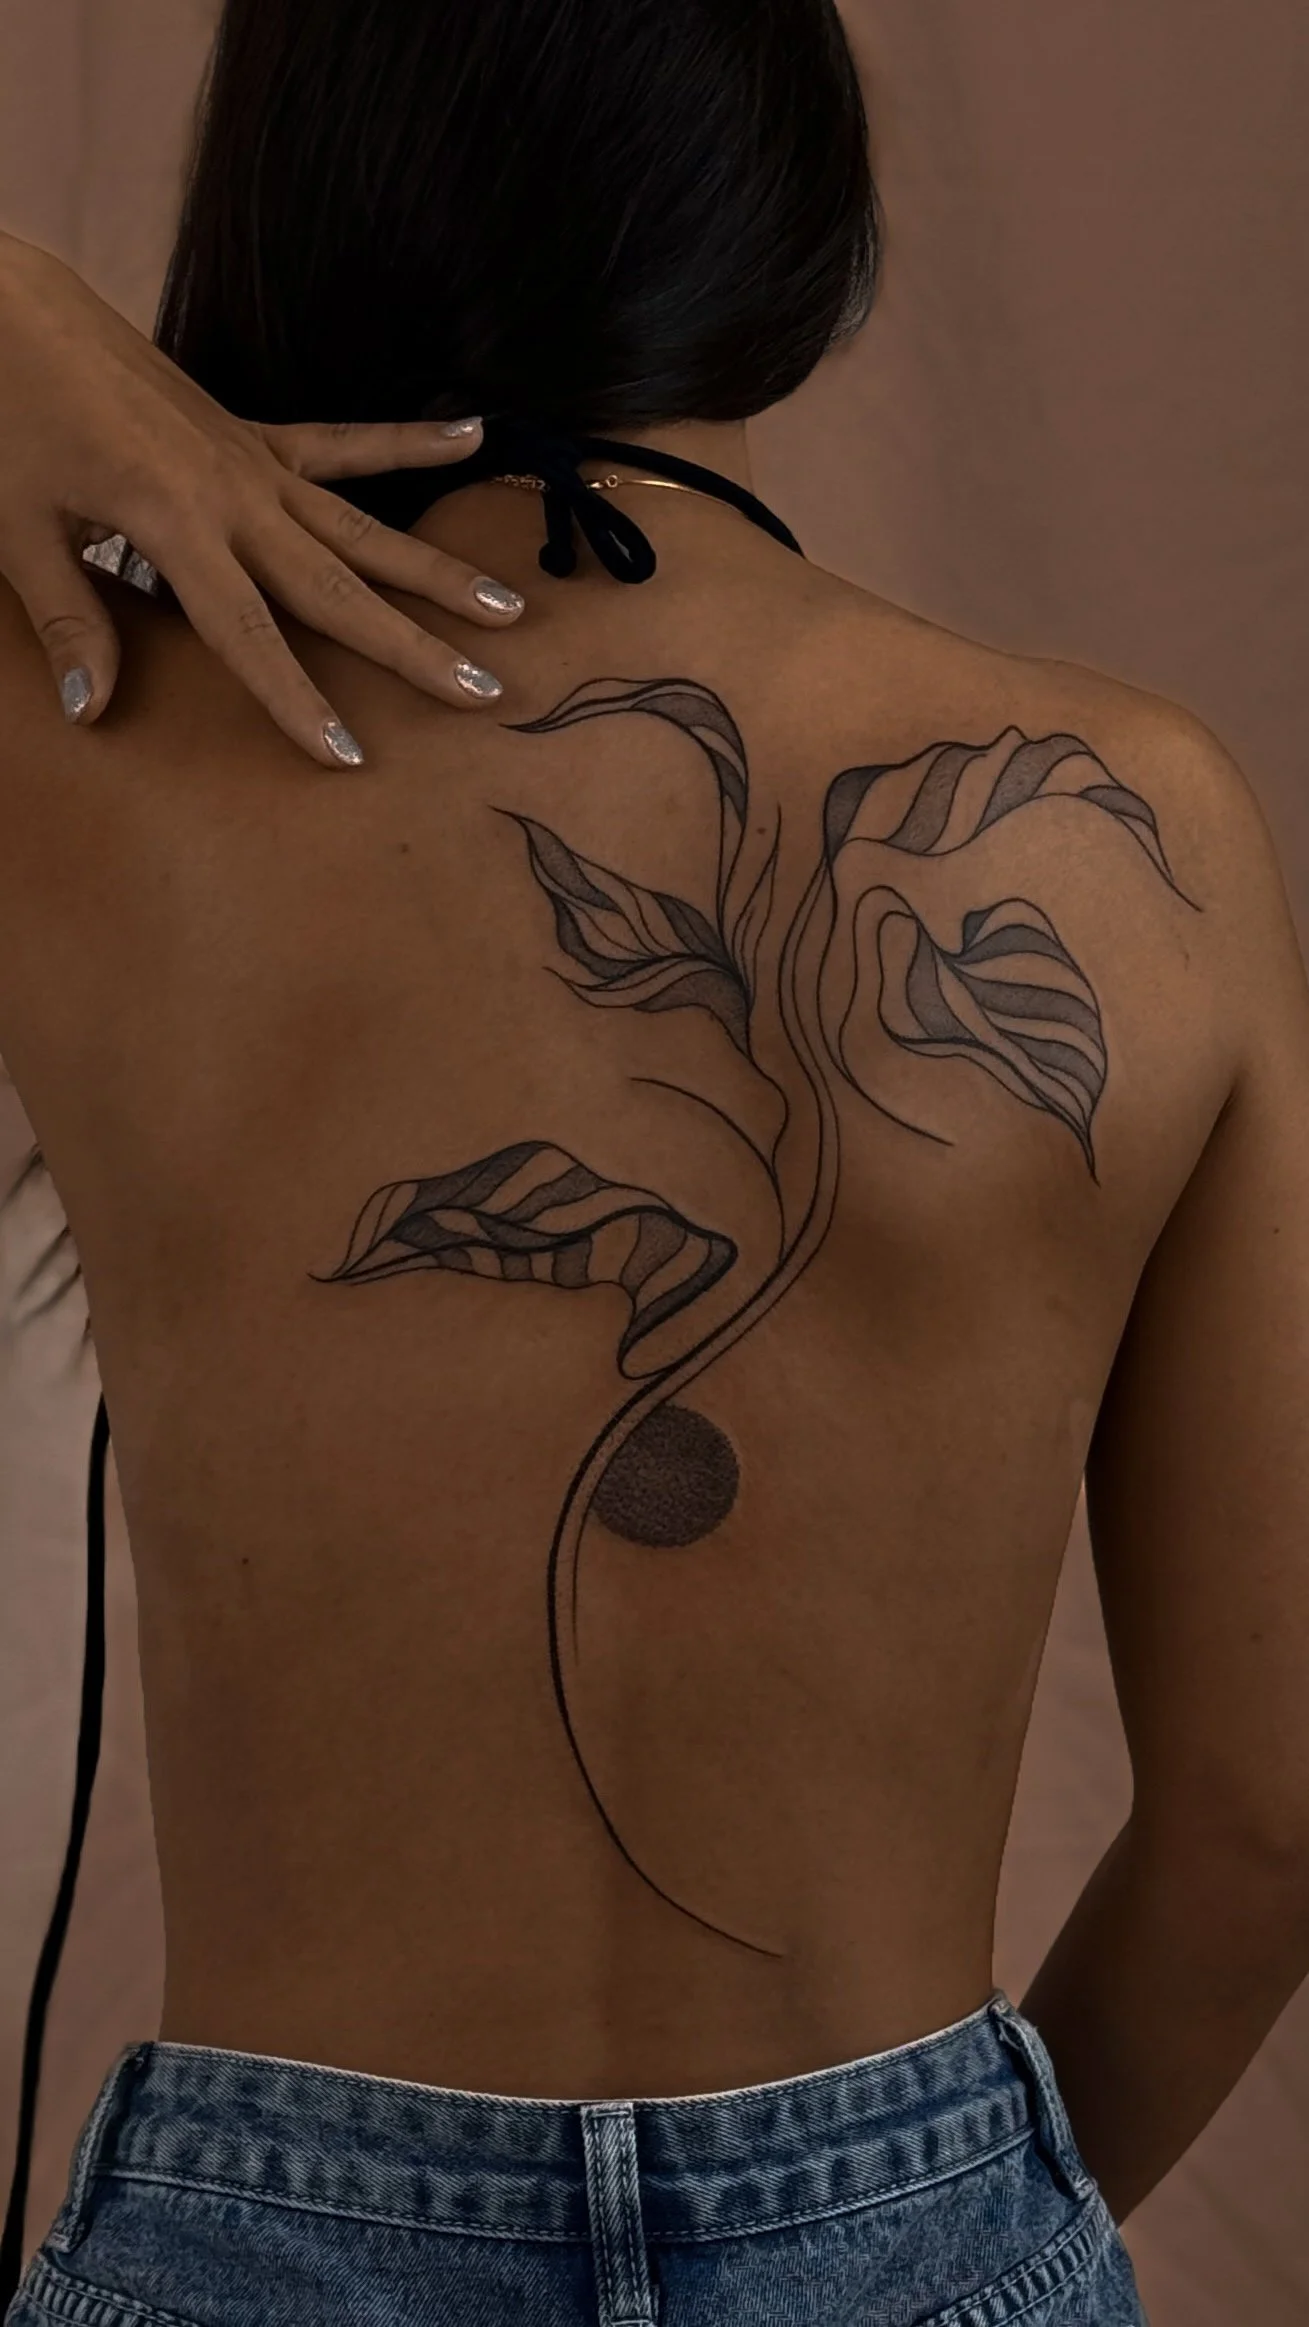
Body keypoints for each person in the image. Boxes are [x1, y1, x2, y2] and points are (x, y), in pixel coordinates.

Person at [1, 1, 1307, 2319]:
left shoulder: (72, 756)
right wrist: (931, 2220)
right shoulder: (1151, 831)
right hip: (910, 2233)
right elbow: (1263, 1813)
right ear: (787, 222)